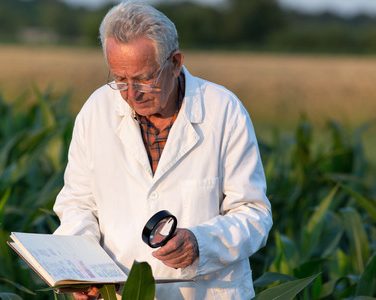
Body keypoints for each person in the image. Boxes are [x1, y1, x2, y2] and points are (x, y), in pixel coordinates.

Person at [53, 1, 272, 299]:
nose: (131, 94)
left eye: (144, 78)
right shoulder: (96, 110)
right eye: (120, 79)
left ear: (175, 63)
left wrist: (200, 243)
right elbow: (77, 204)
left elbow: (254, 214)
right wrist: (83, 271)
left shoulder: (223, 110)